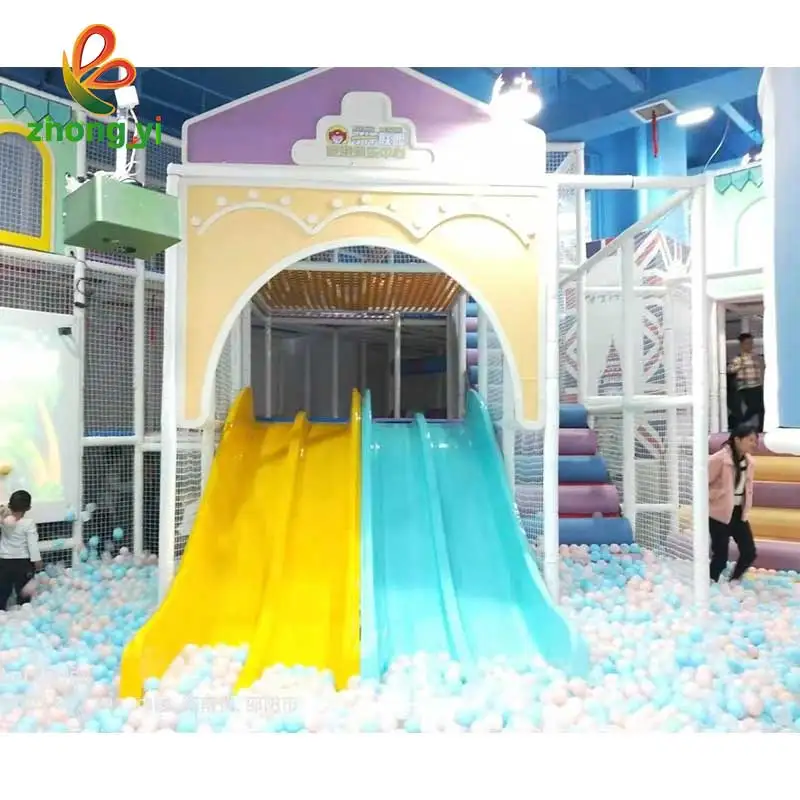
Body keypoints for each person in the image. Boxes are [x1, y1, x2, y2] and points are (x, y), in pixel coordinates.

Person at [708, 423, 758, 582]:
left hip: (738, 512)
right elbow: (701, 482)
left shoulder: (749, 462)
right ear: (737, 439)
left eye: (755, 440)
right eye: (750, 440)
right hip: (719, 513)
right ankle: (709, 583)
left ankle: (733, 581)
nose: (754, 444)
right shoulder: (719, 459)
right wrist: (717, 495)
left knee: (749, 552)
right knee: (720, 557)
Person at [0, 489, 43, 611]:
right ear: (28, 508)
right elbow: (32, 544)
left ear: (10, 505)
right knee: (24, 591)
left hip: (4, 561)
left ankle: (2, 613)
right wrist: (37, 560)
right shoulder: (29, 523)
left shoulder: (3, 521)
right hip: (23, 563)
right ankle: (24, 612)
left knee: (3, 590)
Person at [728, 333, 764, 432]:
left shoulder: (755, 357)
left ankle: (760, 428)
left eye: (751, 343)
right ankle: (740, 423)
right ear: (742, 344)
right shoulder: (738, 358)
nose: (750, 345)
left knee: (761, 408)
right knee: (753, 407)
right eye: (747, 343)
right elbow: (730, 370)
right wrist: (740, 366)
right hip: (745, 386)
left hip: (757, 385)